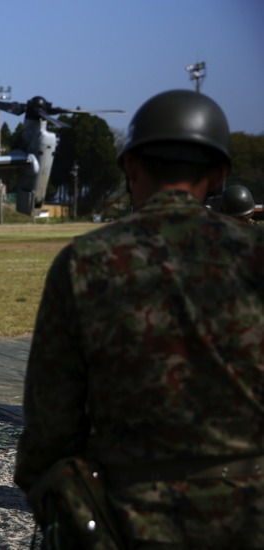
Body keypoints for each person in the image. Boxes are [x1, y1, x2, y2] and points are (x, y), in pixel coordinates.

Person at [14, 89, 264, 548]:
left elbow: (49, 430)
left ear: (130, 167)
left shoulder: (84, 263)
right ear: (221, 173)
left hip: (127, 518)